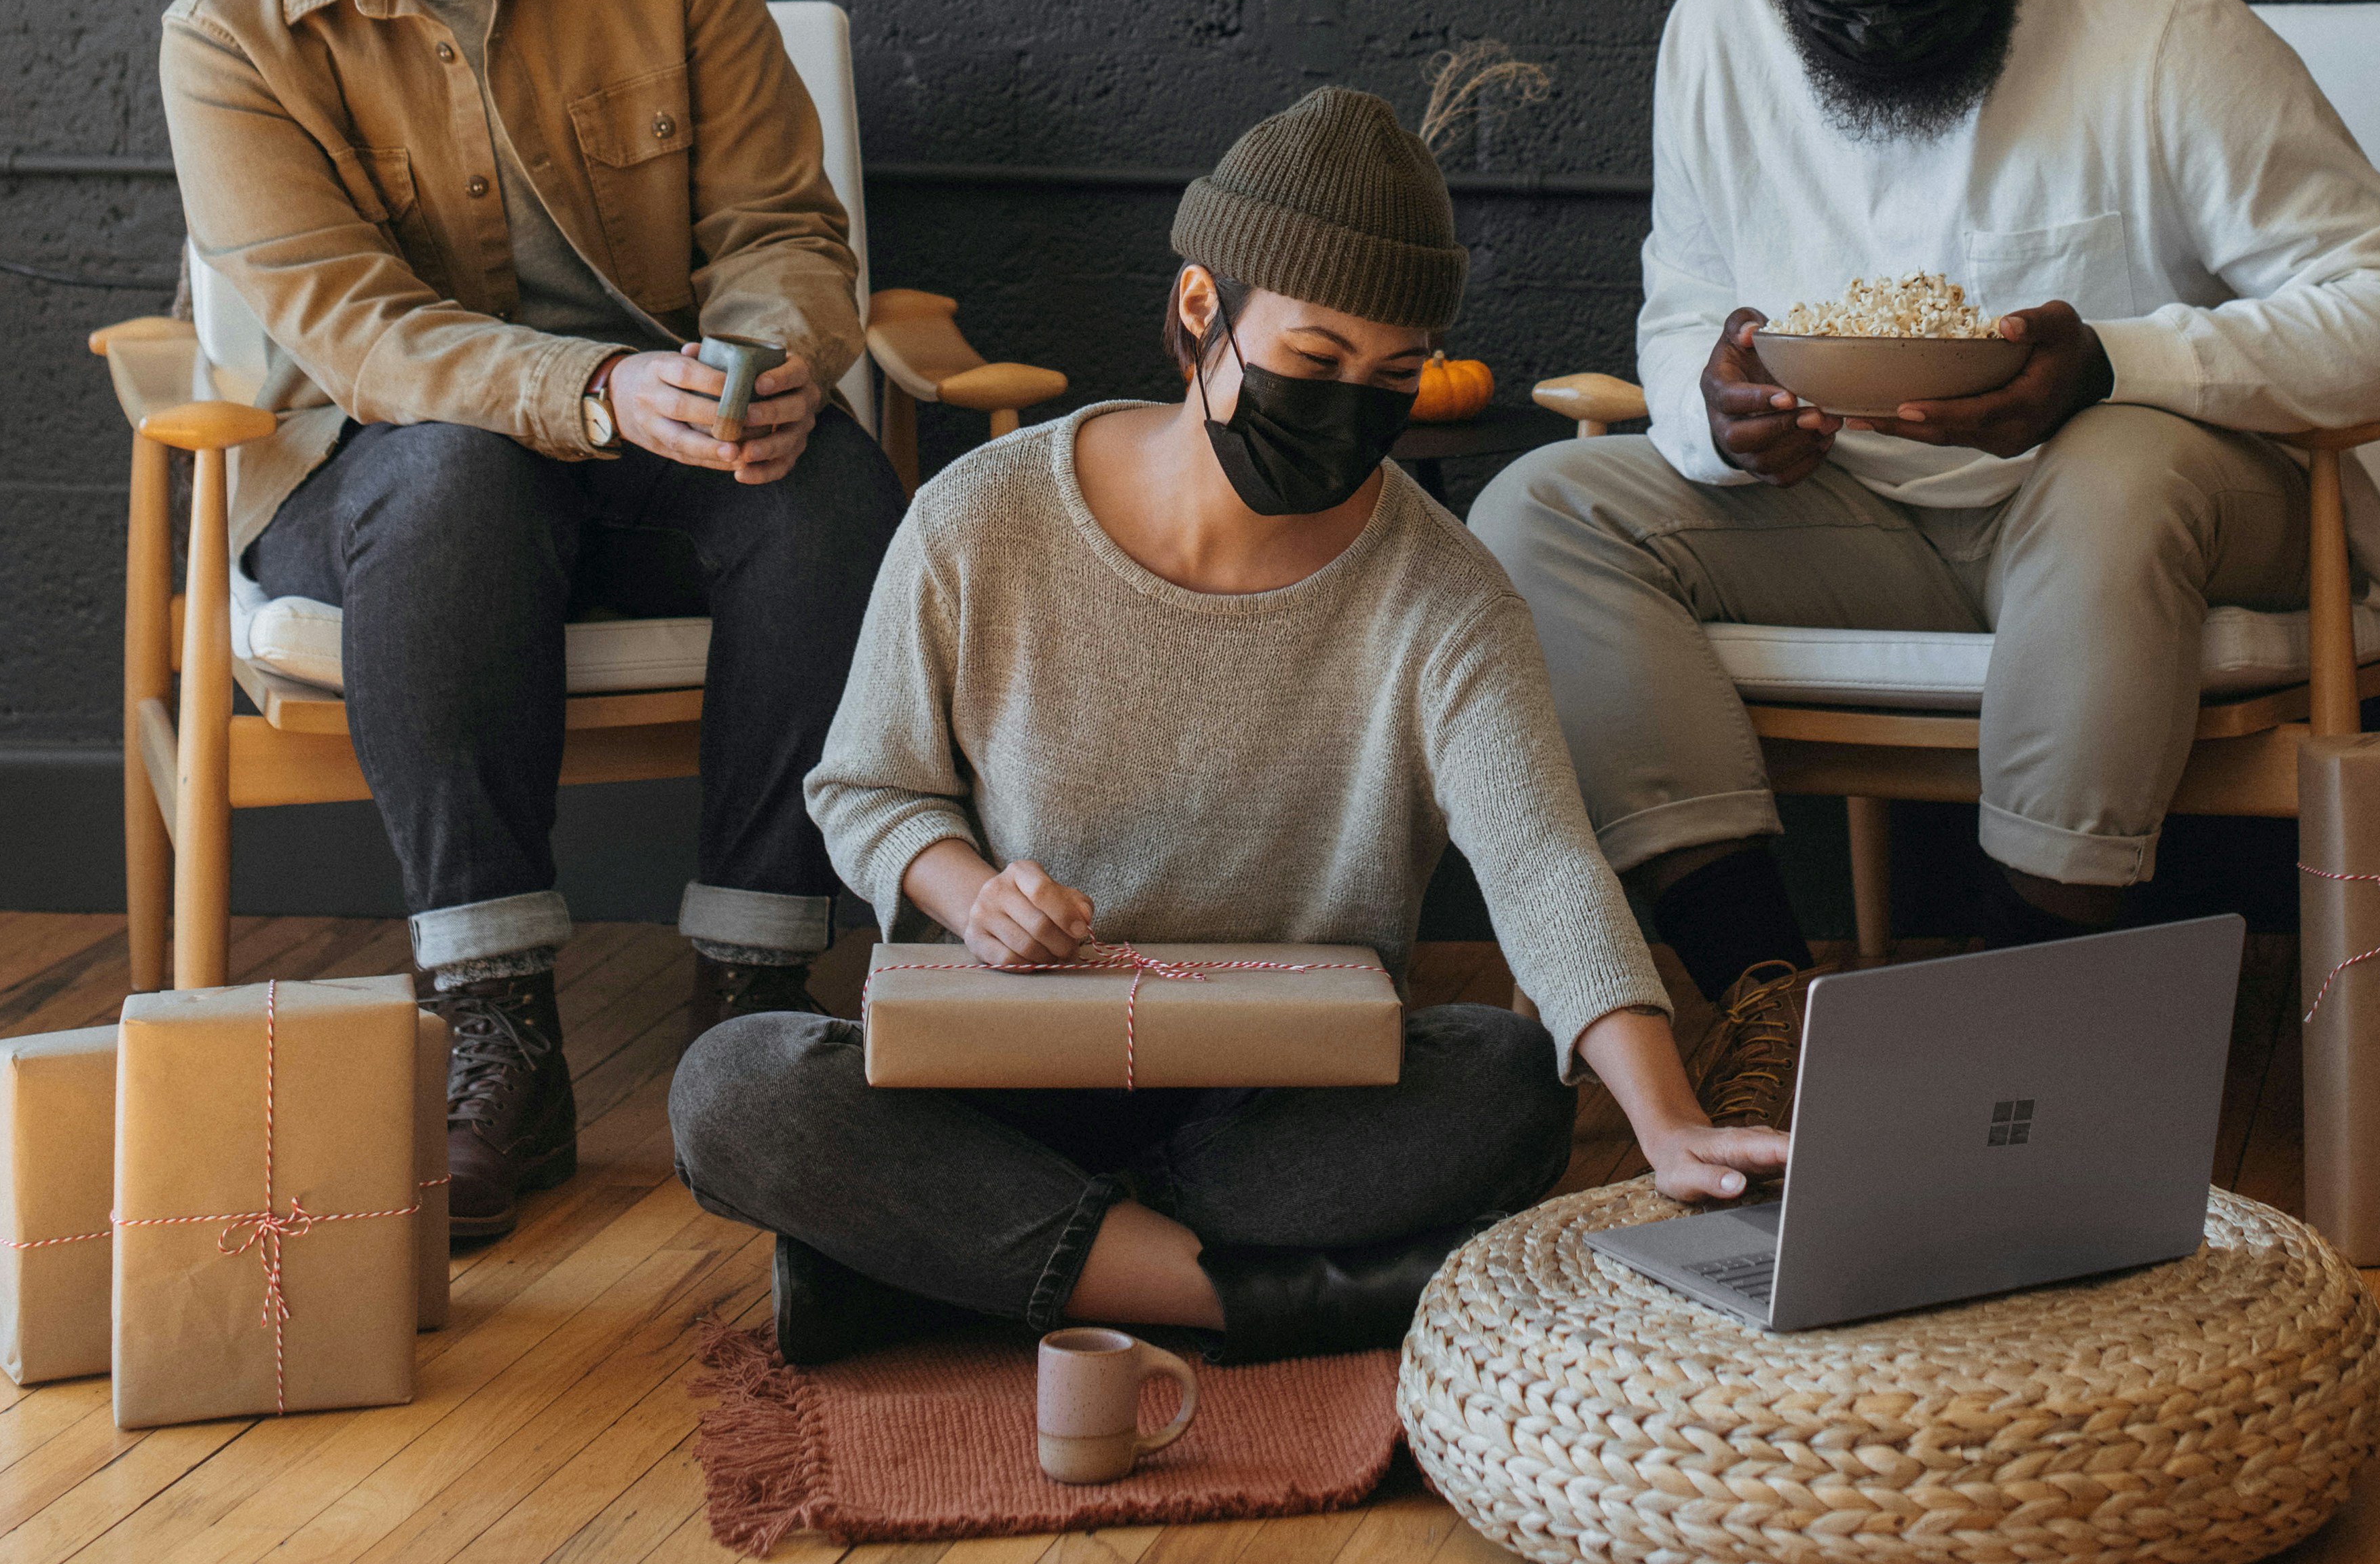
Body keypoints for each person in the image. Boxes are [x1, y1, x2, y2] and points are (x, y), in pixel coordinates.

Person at [670, 87, 1788, 1368]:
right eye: (1316, 363)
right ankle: (1252, 1299)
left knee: (1502, 1086)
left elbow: (1539, 859)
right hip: (1007, 1074)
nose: (1353, 410)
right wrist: (974, 895)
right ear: (1203, 311)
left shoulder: (1445, 593)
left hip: (1283, 1103)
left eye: (1394, 377)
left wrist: (1668, 1120)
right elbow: (868, 791)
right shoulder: (981, 521)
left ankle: (951, 1270)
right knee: (734, 1086)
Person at [1471, 0, 2380, 1075]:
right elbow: (1682, 302)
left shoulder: (2161, 37)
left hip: (2163, 522)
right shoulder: (1715, 34)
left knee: (2109, 468)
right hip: (1857, 512)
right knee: (1535, 509)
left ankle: (2015, 1016)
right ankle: (1764, 997)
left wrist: (2112, 364)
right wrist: (1716, 410)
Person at [161, 0, 905, 1241]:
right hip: (386, 473)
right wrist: (593, 389)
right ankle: (492, 1025)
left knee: (831, 489)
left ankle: (756, 1005)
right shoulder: (230, 32)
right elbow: (356, 335)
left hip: (668, 438)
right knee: (455, 481)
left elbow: (784, 225)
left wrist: (761, 362)